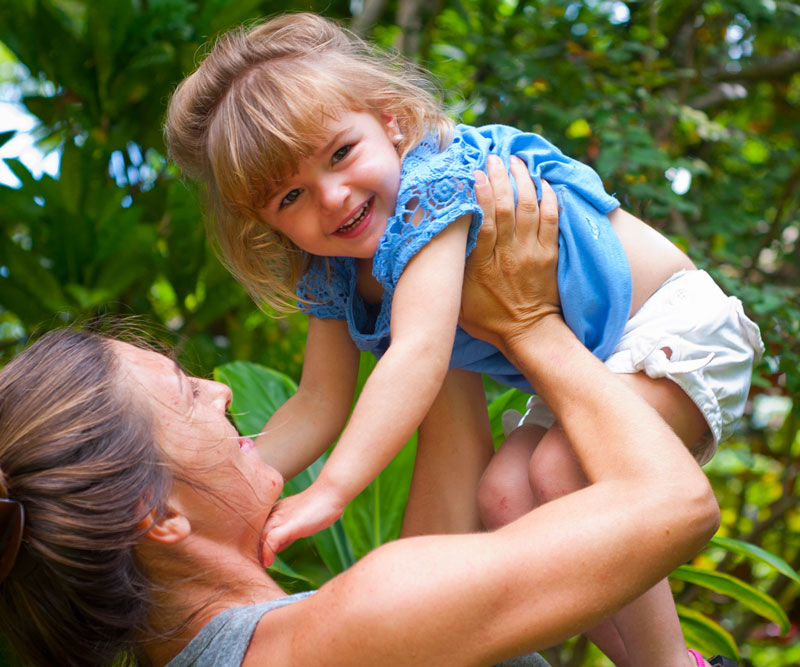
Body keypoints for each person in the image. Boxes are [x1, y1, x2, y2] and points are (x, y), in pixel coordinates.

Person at [163, 13, 761, 666]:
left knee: (561, 473)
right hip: (591, 366)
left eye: (341, 154)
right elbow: (317, 401)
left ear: (391, 121)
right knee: (505, 496)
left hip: (672, 327)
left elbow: (419, 351)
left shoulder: (432, 189)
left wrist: (331, 490)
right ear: (266, 222)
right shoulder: (333, 266)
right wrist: (222, 486)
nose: (333, 197)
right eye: (292, 196)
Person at [0, 165, 722, 667]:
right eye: (188, 394)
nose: (220, 392)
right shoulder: (345, 628)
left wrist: (411, 270)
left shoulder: (300, 639)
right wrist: (532, 323)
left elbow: (446, 459)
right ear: (156, 514)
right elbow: (672, 504)